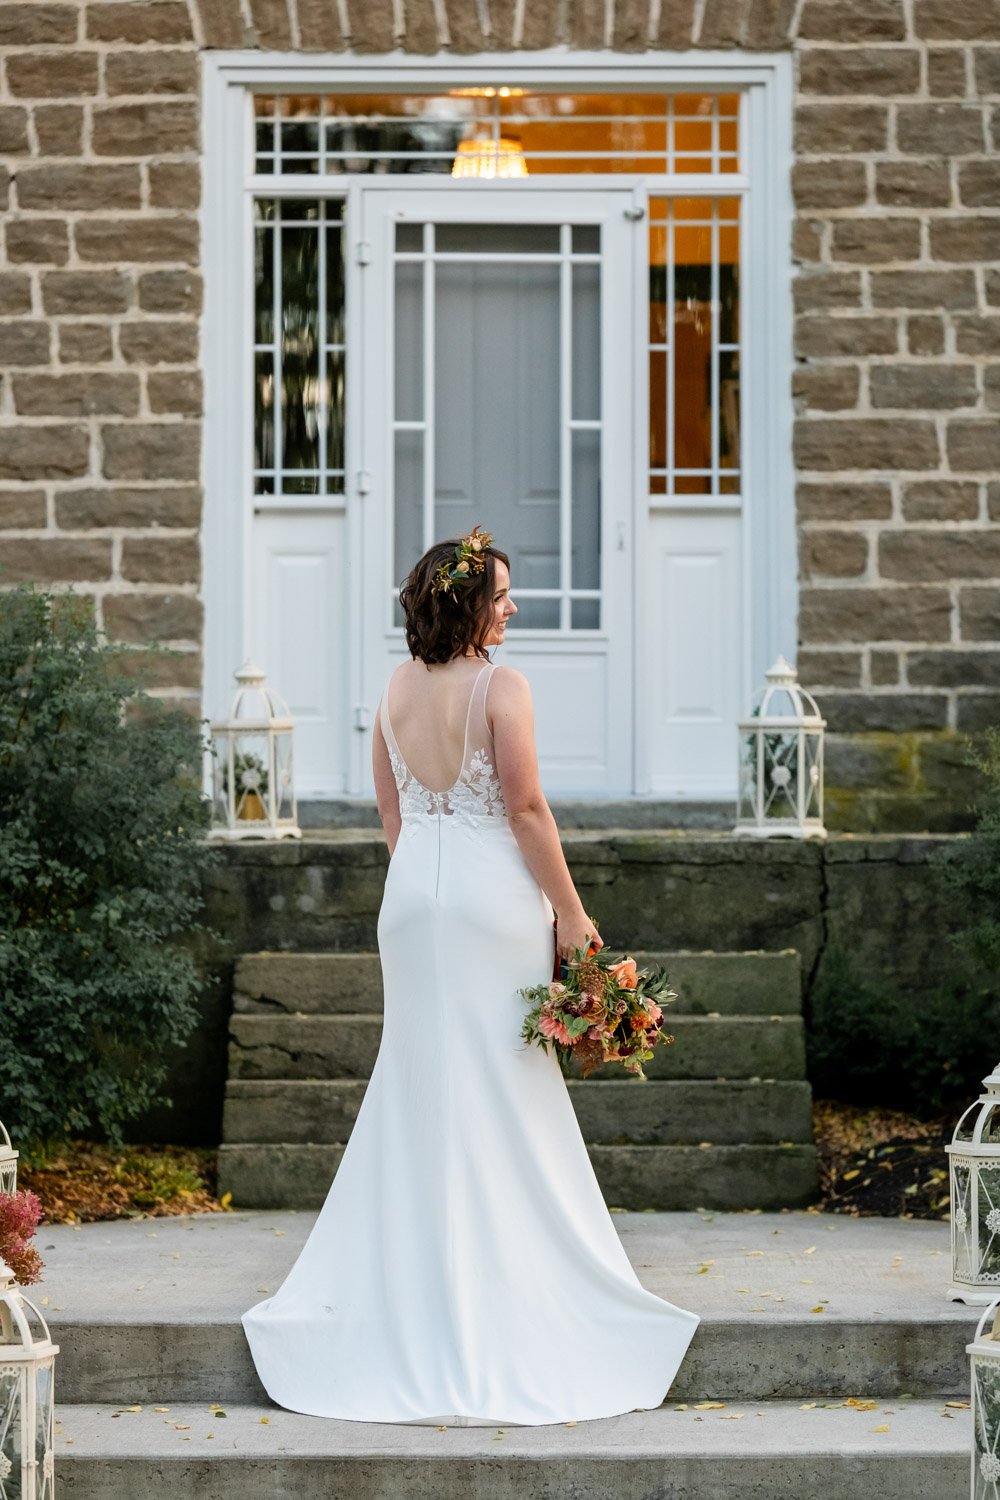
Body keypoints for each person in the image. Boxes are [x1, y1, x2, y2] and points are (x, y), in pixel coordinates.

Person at [242, 527, 700, 1426]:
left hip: (413, 901)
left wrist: (426, 885)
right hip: (494, 899)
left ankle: (407, 1287)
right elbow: (525, 808)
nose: (513, 607)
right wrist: (572, 916)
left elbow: (394, 809)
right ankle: (509, 1291)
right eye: (500, 594)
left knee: (422, 1079)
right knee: (502, 1079)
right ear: (467, 605)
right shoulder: (502, 686)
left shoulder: (394, 689)